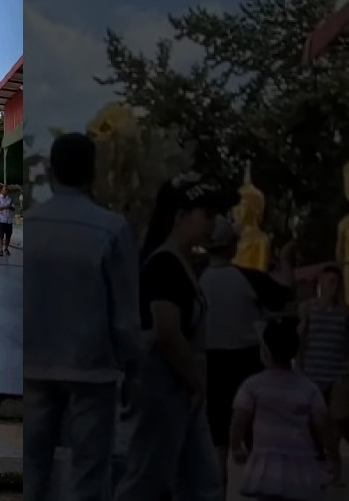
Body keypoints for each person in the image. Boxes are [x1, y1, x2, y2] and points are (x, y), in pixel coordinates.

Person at [24, 132, 138, 501]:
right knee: (90, 469)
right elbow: (124, 311)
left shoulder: (33, 224)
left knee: (33, 465)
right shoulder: (112, 228)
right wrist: (132, 367)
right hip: (93, 367)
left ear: (52, 171)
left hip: (34, 365)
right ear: (93, 171)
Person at [116, 176, 233, 501]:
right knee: (146, 482)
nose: (214, 224)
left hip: (181, 396)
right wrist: (198, 382)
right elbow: (168, 331)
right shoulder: (164, 265)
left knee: (201, 482)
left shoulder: (183, 264)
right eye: (206, 215)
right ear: (180, 216)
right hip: (163, 393)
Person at [200, 216, 294, 499]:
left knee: (217, 443)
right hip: (247, 363)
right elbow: (286, 293)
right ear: (233, 246)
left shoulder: (196, 279)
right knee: (257, 437)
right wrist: (286, 259)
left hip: (210, 364)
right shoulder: (248, 279)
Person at [230, 319, 336, 500]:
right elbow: (322, 423)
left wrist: (236, 447)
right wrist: (332, 455)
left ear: (267, 351)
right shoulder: (308, 387)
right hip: (300, 463)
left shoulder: (253, 385)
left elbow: (239, 419)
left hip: (266, 463)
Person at [298, 265, 349, 475]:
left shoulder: (347, 312)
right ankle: (321, 452)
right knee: (316, 417)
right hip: (313, 372)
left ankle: (337, 458)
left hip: (338, 373)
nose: (334, 286)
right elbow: (301, 340)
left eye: (336, 282)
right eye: (329, 281)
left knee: (337, 416)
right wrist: (298, 367)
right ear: (321, 283)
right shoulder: (308, 308)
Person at [0, 185, 15, 256]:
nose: (6, 191)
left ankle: (6, 248)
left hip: (9, 219)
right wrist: (5, 207)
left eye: (7, 189)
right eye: (5, 189)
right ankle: (0, 249)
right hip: (0, 219)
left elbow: (13, 208)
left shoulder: (10, 199)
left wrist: (10, 207)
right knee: (0, 235)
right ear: (1, 190)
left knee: (8, 235)